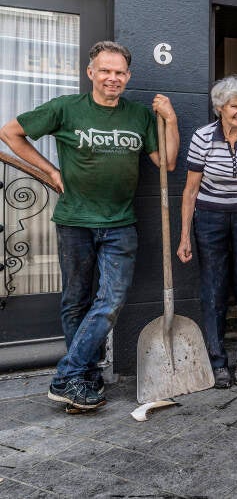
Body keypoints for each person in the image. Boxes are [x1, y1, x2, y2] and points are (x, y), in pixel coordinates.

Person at [0, 41, 179, 410]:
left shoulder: (138, 116)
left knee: (110, 300)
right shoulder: (66, 108)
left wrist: (171, 120)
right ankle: (84, 375)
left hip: (120, 224)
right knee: (76, 302)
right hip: (75, 222)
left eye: (120, 72)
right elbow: (10, 133)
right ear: (91, 73)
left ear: (128, 77)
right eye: (106, 70)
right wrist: (49, 171)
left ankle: (67, 375)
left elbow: (167, 162)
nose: (113, 78)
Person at [177, 74, 237, 389]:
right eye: (235, 106)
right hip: (210, 219)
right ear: (221, 107)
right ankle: (218, 361)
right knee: (213, 290)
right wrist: (184, 236)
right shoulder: (202, 137)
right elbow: (190, 191)